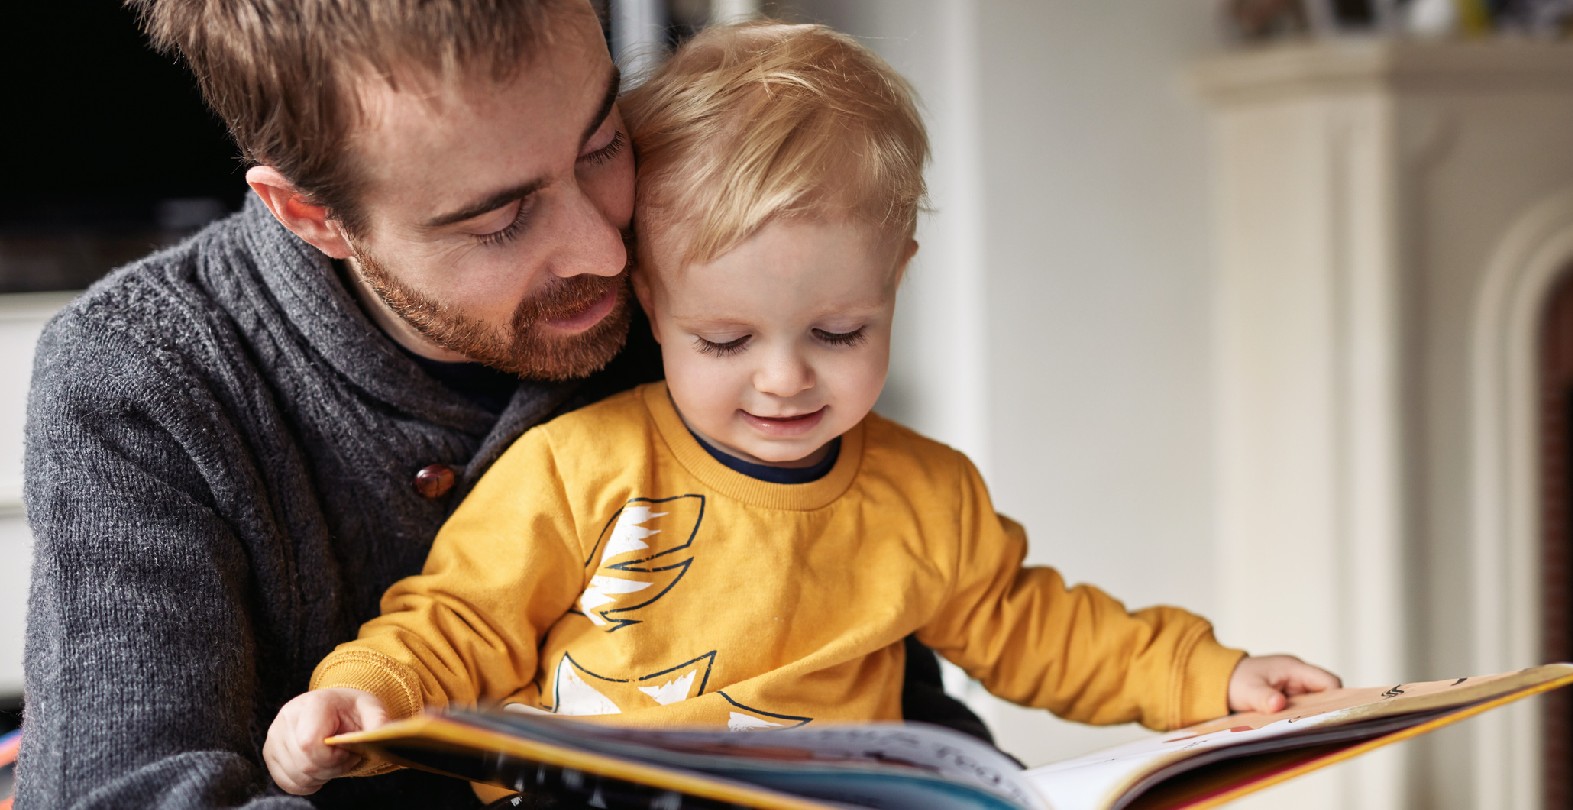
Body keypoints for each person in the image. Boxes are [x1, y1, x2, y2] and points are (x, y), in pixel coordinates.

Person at [261, 20, 1342, 803]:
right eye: (723, 342)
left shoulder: (927, 496)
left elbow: (1041, 629)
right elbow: (461, 621)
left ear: (897, 282)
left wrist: (1220, 679)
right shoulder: (581, 465)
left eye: (840, 334)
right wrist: (368, 696)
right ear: (650, 301)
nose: (786, 381)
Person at [16, 2, 990, 807]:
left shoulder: (707, 292)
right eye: (501, 219)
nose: (609, 252)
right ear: (313, 217)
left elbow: (895, 698)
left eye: (603, 140)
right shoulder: (144, 377)